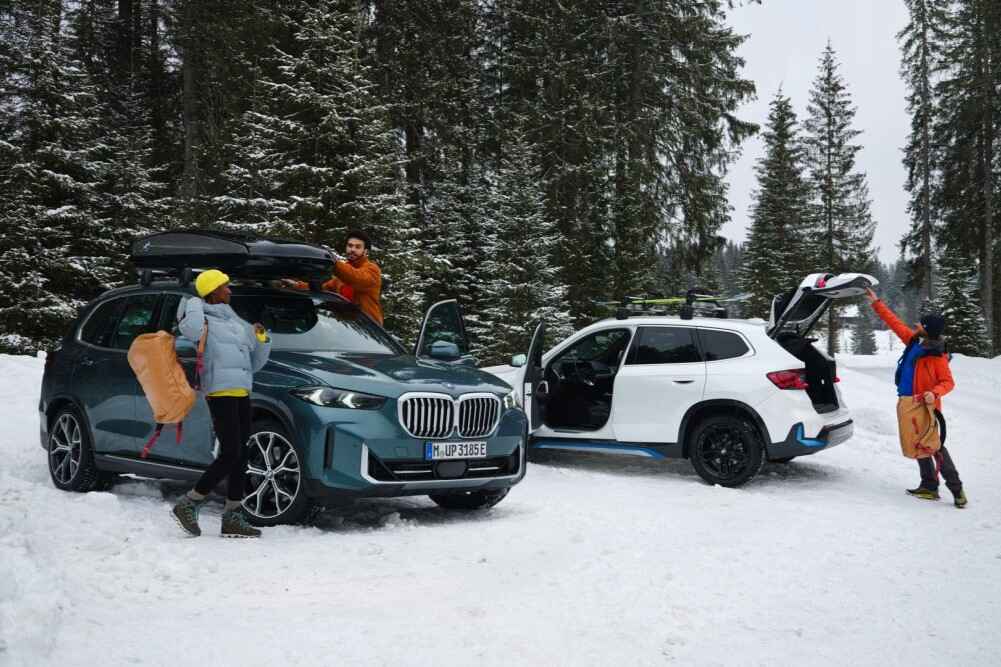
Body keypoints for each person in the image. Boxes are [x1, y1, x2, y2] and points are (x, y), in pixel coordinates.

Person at [171, 269, 273, 537]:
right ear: (213, 291)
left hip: (241, 391)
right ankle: (190, 502)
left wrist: (262, 341)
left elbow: (254, 364)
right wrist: (195, 300)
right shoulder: (200, 318)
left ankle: (232, 517)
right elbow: (190, 330)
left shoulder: (234, 322)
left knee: (240, 454)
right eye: (225, 286)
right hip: (219, 391)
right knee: (230, 453)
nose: (230, 290)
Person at [865, 288, 967, 508]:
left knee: (934, 446)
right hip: (907, 403)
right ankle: (929, 486)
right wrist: (876, 303)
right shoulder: (914, 341)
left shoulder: (937, 356)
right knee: (917, 444)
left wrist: (934, 393)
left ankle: (957, 490)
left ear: (928, 330)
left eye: (920, 325)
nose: (916, 326)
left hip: (925, 406)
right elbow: (895, 323)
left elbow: (948, 383)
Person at [280, 229, 384, 325]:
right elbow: (323, 289)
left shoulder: (372, 269)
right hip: (349, 329)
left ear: (365, 251)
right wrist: (296, 285)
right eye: (350, 246)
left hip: (369, 330)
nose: (352, 249)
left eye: (357, 247)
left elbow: (356, 278)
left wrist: (334, 262)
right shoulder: (342, 273)